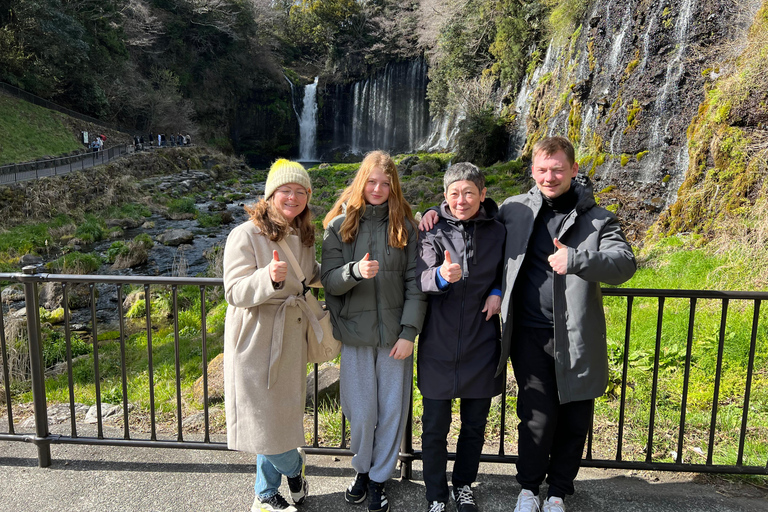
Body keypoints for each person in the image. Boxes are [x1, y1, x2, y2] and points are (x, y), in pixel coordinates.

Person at [420, 136, 636, 512]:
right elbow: (471, 219)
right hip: (528, 332)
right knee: (535, 414)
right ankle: (528, 489)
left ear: (574, 169)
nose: (549, 176)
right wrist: (433, 212)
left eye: (557, 169)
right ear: (532, 171)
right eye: (542, 169)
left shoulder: (599, 218)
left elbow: (625, 265)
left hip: (579, 333)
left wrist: (578, 259)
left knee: (575, 417)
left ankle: (558, 492)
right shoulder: (515, 209)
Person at [321, 150, 427, 512]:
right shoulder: (338, 227)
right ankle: (361, 470)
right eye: (372, 181)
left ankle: (379, 478)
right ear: (360, 182)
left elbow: (415, 283)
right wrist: (354, 272)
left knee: (393, 411)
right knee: (362, 412)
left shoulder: (406, 228)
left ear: (394, 186)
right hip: (355, 334)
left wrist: (409, 332)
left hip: (396, 337)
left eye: (386, 183)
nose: (378, 188)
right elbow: (330, 282)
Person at [223, 159, 318, 512]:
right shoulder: (245, 234)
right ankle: (293, 469)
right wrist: (269, 278)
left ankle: (265, 493)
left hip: (290, 339)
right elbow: (234, 291)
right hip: (254, 340)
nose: (292, 198)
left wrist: (350, 272)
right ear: (270, 195)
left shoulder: (303, 236)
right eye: (285, 191)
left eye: (300, 192)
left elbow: (310, 274)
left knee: (278, 417)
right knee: (264, 419)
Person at [415, 162, 506, 512]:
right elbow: (421, 277)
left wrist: (497, 290)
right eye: (454, 193)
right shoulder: (431, 230)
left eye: (469, 192)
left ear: (483, 195)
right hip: (438, 342)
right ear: (445, 196)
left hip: (480, 341)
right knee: (435, 427)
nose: (461, 199)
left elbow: (505, 270)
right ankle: (436, 494)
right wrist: (440, 275)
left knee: (474, 426)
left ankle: (463, 484)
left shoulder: (498, 230)